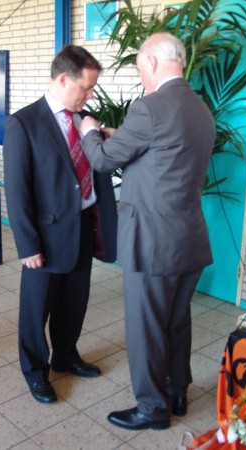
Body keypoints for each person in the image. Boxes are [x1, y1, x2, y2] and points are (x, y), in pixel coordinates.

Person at [79, 32, 216, 430]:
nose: (142, 77)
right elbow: (164, 154)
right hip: (188, 239)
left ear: (152, 62)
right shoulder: (201, 109)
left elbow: (103, 160)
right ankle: (177, 391)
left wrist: (90, 131)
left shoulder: (150, 107)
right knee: (176, 321)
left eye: (140, 69)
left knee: (146, 327)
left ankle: (152, 409)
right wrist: (119, 136)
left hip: (153, 243)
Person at [2, 45, 118, 404]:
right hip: (46, 235)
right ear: (64, 79)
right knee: (36, 308)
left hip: (83, 225)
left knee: (74, 301)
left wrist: (107, 138)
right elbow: (17, 191)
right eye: (86, 86)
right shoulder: (24, 123)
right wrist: (28, 245)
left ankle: (66, 356)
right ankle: (35, 371)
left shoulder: (86, 121)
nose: (90, 95)